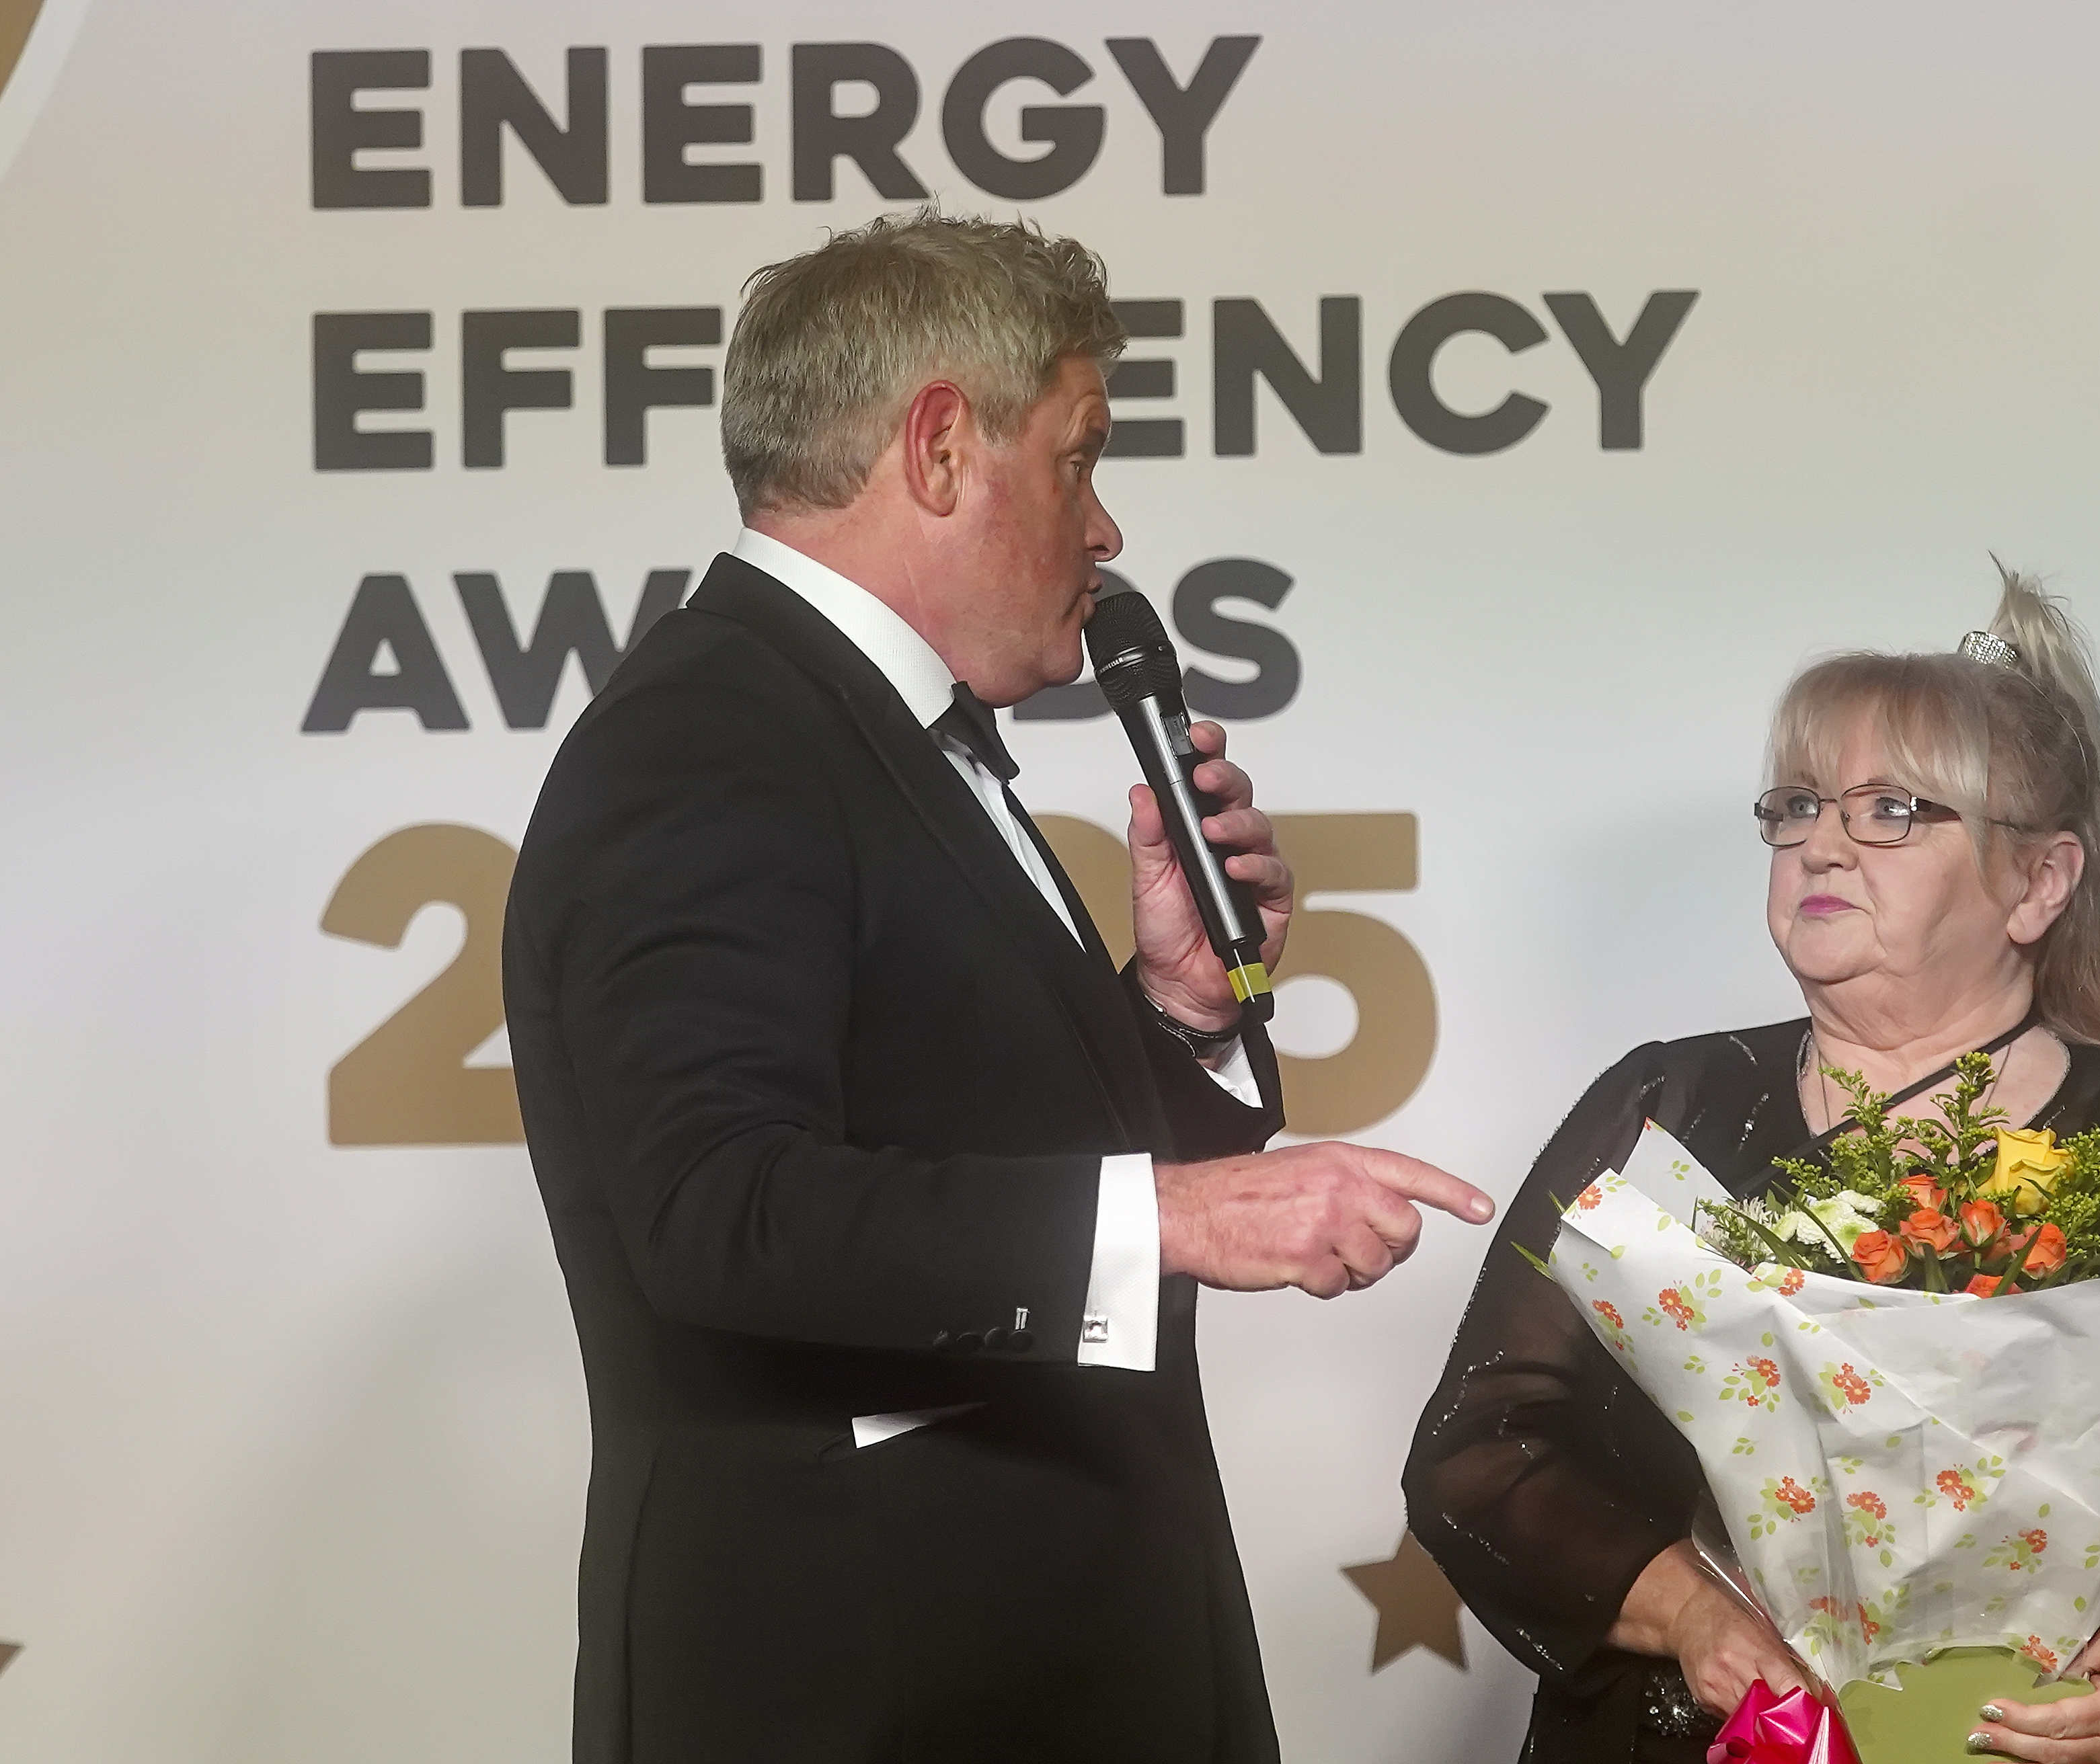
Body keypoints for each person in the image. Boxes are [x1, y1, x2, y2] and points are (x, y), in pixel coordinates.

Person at [504, 212, 1492, 1764]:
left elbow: (986, 1153)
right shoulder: (709, 738)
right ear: (943, 447)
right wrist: (1173, 1217)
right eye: (1080, 459)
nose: (1105, 528)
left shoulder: (872, 730)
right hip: (872, 1697)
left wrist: (1179, 1010)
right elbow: (717, 1207)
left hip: (1046, 1664)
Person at [1403, 568, 2100, 1764]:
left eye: (1890, 811)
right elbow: (1483, 1451)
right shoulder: (1666, 1112)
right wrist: (1688, 1614)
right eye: (1797, 806)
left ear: (2038, 882)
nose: (1820, 846)